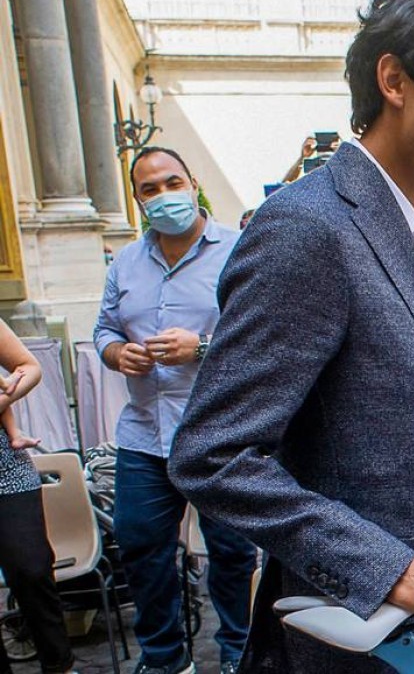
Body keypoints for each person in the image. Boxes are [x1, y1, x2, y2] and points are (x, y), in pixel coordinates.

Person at [168, 0, 414, 673]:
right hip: (362, 645)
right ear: (394, 80)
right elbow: (213, 455)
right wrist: (382, 564)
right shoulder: (309, 227)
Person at [94, 146, 256, 674]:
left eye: (171, 183)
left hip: (219, 433)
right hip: (144, 435)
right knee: (141, 545)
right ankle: (165, 659)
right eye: (149, 190)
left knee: (231, 552)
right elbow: (104, 330)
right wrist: (118, 353)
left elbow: (264, 335)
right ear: (138, 201)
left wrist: (202, 347)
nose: (163, 196)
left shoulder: (238, 249)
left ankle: (237, 650)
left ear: (193, 183)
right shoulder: (125, 263)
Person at [0, 319, 76, 674]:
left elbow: (28, 367)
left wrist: (4, 394)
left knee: (31, 568)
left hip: (6, 469)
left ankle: (59, 666)